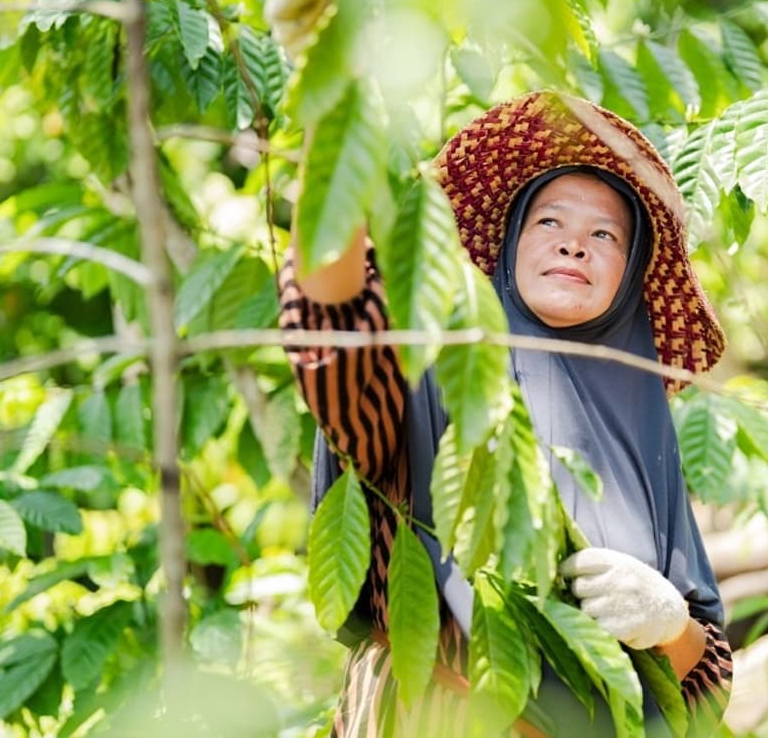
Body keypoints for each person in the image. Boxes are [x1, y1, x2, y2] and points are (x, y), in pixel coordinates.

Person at [277, 89, 733, 736]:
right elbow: (335, 330)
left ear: (629, 275)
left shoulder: (645, 434)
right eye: (549, 223)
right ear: (510, 244)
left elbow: (706, 681)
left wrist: (668, 623)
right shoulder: (431, 364)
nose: (574, 246)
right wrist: (336, 115)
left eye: (604, 235)